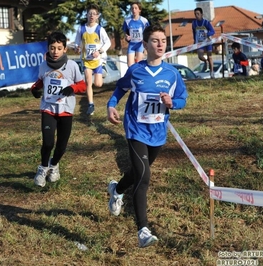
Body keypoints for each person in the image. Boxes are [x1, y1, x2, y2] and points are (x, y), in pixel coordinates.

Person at [106, 24, 188, 248]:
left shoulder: (172, 73)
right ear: (145, 44)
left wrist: (173, 103)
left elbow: (182, 99)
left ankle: (117, 189)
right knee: (144, 176)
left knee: (137, 173)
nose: (161, 44)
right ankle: (143, 229)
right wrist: (111, 105)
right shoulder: (136, 70)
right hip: (136, 129)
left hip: (158, 133)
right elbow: (120, 88)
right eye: (155, 40)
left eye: (163, 40)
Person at [31, 31, 86, 187]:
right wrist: (34, 90)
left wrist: (72, 88)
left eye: (59, 48)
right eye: (52, 48)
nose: (55, 52)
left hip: (66, 110)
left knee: (61, 145)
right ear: (48, 48)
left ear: (65, 49)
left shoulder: (72, 66)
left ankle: (54, 165)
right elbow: (40, 82)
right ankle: (42, 168)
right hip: (48, 108)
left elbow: (83, 85)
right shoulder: (43, 65)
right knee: (48, 143)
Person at [75, 4, 111, 116]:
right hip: (86, 60)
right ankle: (91, 104)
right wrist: (77, 48)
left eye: (94, 14)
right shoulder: (81, 29)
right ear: (87, 15)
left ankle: (103, 69)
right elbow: (77, 43)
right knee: (88, 82)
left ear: (97, 16)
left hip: (98, 61)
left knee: (98, 84)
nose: (91, 16)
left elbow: (108, 42)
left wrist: (99, 51)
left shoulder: (100, 29)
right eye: (90, 13)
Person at [122, 2, 150, 67]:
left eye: (135, 8)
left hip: (140, 44)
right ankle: (132, 77)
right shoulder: (127, 20)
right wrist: (127, 37)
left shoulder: (144, 20)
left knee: (139, 65)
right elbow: (125, 32)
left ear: (139, 10)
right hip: (131, 44)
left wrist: (146, 45)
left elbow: (148, 32)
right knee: (130, 65)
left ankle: (139, 76)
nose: (134, 10)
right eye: (132, 8)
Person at [192, 7, 215, 78]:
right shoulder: (194, 23)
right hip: (200, 42)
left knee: (210, 57)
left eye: (198, 14)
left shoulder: (206, 22)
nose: (196, 15)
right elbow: (194, 32)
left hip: (207, 41)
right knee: (200, 56)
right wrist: (194, 41)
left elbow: (213, 31)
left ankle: (212, 73)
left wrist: (208, 34)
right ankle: (205, 61)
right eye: (195, 14)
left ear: (202, 14)